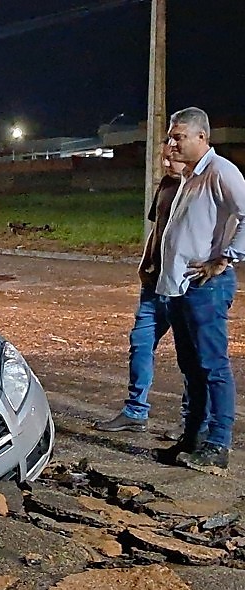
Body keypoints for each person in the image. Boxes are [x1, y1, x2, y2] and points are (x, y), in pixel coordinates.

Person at [158, 107, 245, 475]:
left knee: (213, 365)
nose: (171, 144)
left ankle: (218, 444)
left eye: (178, 137)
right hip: (181, 288)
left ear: (201, 138)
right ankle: (193, 437)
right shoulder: (189, 176)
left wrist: (225, 259)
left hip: (206, 287)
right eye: (169, 137)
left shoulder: (220, 172)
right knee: (191, 367)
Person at [94, 140, 195, 437]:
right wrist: (144, 263)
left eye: (170, 159)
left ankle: (191, 420)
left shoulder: (198, 190)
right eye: (163, 158)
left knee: (188, 354)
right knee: (140, 343)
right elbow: (156, 229)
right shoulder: (165, 185)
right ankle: (135, 411)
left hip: (184, 287)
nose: (165, 164)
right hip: (155, 283)